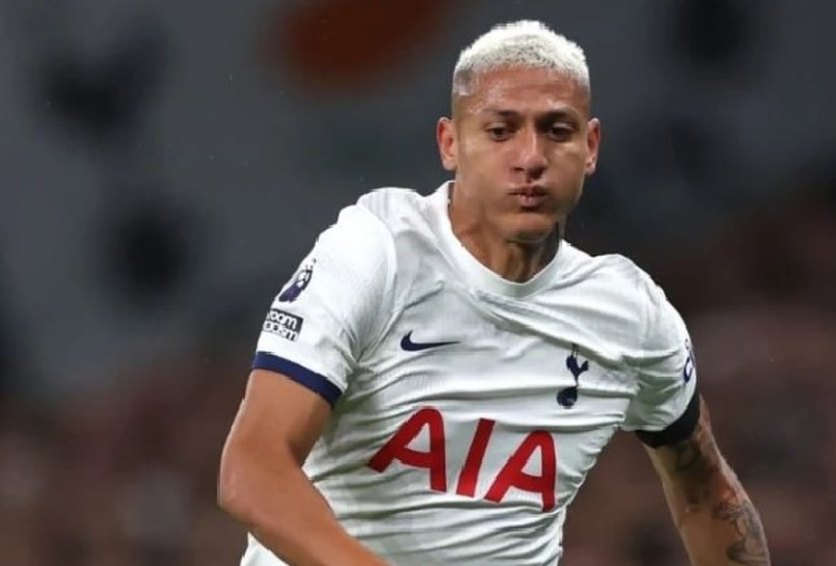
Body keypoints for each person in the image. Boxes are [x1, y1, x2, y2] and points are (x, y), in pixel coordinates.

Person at [218, 19, 770, 566]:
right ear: (450, 144)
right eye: (501, 131)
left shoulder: (630, 316)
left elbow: (705, 492)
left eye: (557, 130)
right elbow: (252, 469)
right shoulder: (378, 252)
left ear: (591, 147)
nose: (531, 158)